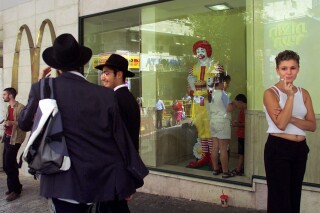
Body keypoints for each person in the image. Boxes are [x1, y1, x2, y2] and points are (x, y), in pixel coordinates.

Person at [18, 33, 141, 213]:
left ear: (57, 66)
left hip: (61, 183)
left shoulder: (43, 88)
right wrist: (127, 180)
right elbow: (120, 141)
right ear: (82, 63)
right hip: (100, 181)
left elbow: (23, 123)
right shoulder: (105, 95)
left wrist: (38, 86)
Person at [263, 50, 316, 213]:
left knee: (294, 196)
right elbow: (280, 124)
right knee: (280, 199)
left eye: (292, 68)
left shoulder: (304, 93)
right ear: (277, 70)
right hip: (279, 148)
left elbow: (312, 125)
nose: (289, 72)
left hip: (300, 149)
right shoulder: (271, 93)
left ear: (298, 69)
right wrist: (290, 96)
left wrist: (292, 118)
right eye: (284, 68)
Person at [95, 53, 141, 152]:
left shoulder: (114, 98)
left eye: (107, 74)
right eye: (102, 74)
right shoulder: (129, 97)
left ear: (119, 75)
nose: (102, 78)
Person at [187, 40, 217, 168]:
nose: (200, 53)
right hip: (198, 104)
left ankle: (213, 157)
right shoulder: (193, 68)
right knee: (201, 129)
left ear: (208, 51)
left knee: (210, 130)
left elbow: (221, 85)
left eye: (202, 50)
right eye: (198, 51)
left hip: (211, 103)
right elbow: (189, 87)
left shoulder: (216, 66)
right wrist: (193, 90)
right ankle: (205, 155)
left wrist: (209, 90)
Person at [2, 87, 26, 202]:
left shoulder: (21, 108)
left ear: (10, 95)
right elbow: (9, 121)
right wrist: (6, 125)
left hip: (15, 140)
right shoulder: (8, 107)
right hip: (7, 138)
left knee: (8, 165)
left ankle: (15, 191)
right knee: (10, 163)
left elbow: (24, 123)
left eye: (4, 94)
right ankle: (15, 186)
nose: (3, 96)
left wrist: (11, 123)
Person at [209, 72, 235, 178]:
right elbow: (229, 108)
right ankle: (225, 171)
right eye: (227, 83)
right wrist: (234, 105)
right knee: (223, 148)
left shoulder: (211, 94)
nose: (227, 85)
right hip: (222, 122)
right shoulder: (223, 94)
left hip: (213, 122)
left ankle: (215, 169)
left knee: (215, 147)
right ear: (221, 83)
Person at [231, 94, 247, 176]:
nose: (236, 106)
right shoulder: (242, 110)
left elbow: (246, 124)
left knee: (241, 154)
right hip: (241, 135)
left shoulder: (245, 111)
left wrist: (237, 124)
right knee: (242, 153)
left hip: (243, 135)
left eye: (237, 104)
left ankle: (238, 169)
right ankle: (241, 168)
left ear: (240, 102)